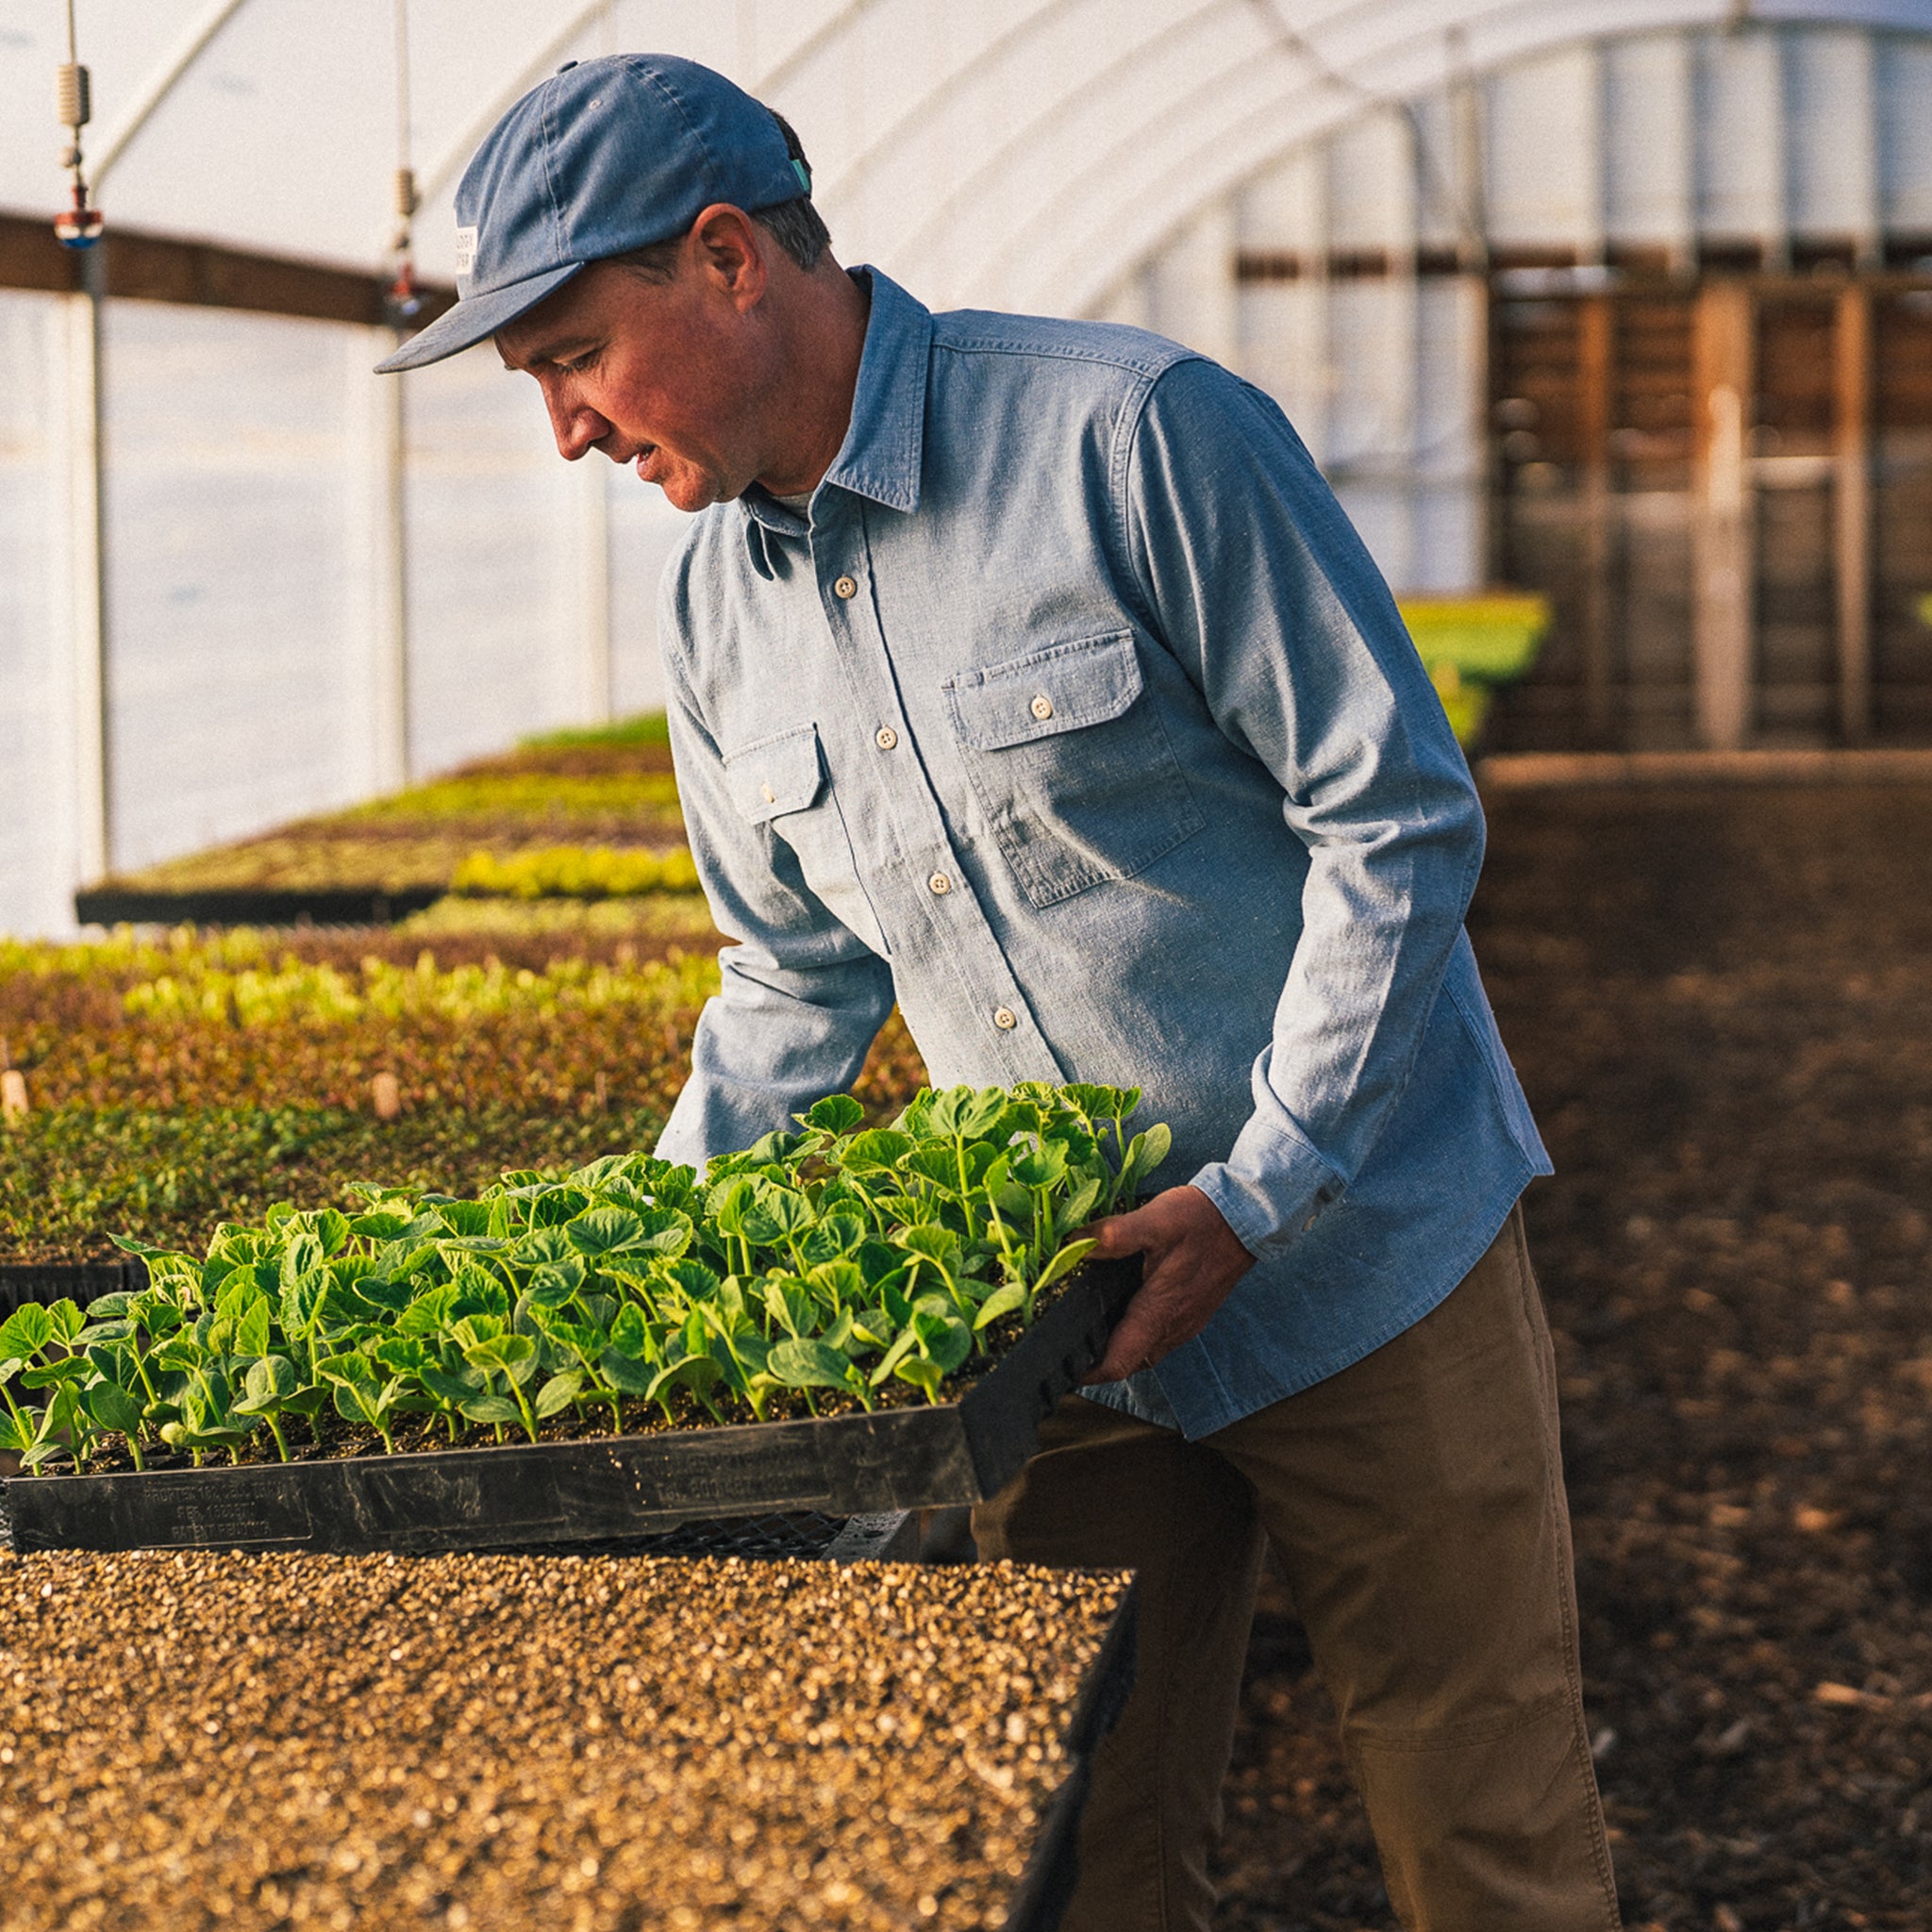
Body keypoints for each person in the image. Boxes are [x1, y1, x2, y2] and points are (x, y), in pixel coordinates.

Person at [377, 53, 1623, 1932]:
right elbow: (787, 979)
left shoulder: (1131, 436)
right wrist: (635, 1292)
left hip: (1368, 1253)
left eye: (564, 355)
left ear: (724, 258)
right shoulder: (719, 607)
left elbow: (1396, 815)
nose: (560, 426)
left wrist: (1262, 1184)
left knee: (1484, 1824)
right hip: (1072, 1317)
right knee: (1071, 1845)